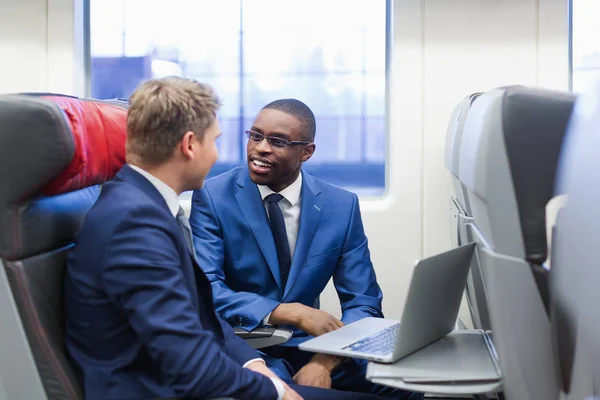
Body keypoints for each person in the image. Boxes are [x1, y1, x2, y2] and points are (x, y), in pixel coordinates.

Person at [64, 78, 381, 400]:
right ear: (190, 145)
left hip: (218, 363)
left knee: (395, 384)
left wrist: (253, 364)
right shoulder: (135, 224)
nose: (218, 155)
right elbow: (189, 360)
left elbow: (201, 320)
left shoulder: (144, 207)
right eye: (214, 141)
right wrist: (277, 391)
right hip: (152, 388)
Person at [189, 99, 423, 399]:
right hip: (248, 345)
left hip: (314, 345)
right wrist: (292, 312)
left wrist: (324, 362)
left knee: (409, 387)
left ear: (306, 152)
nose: (260, 148)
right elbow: (208, 291)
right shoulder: (212, 196)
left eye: (277, 141)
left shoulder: (341, 206)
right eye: (255, 135)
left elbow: (364, 302)